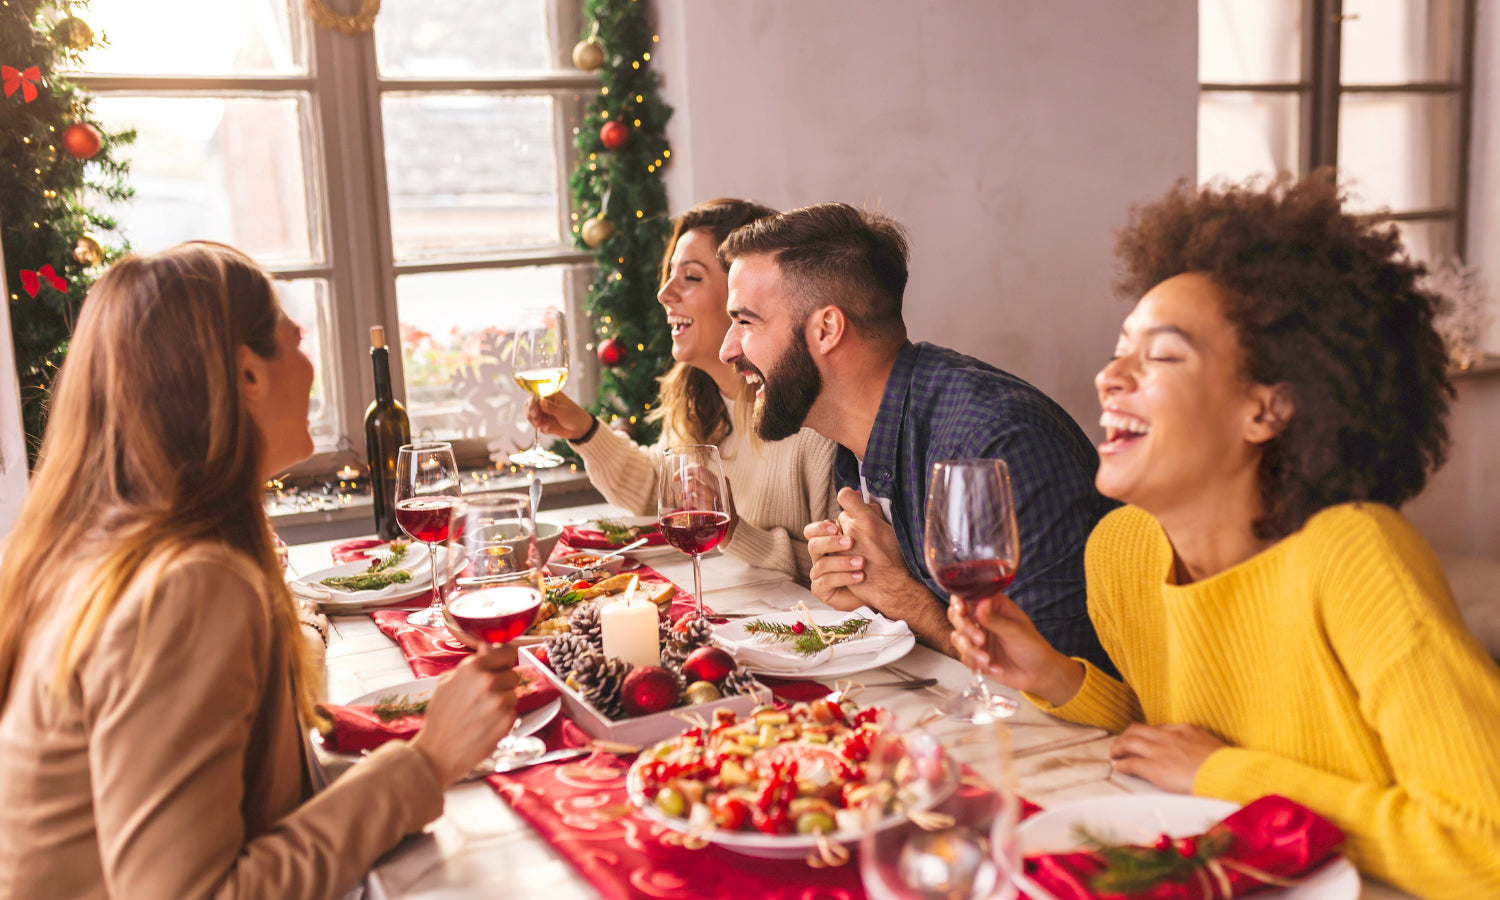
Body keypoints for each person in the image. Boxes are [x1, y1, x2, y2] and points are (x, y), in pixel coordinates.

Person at [948, 172, 1500, 897]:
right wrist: (1056, 676)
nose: (1110, 375)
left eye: (1163, 355)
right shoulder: (1122, 551)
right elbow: (1174, 731)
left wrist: (1223, 776)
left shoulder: (1357, 557)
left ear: (1265, 412)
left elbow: (1482, 844)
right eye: (1120, 349)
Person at [0, 243, 521, 899]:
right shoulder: (182, 587)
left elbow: (245, 814)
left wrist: (421, 763)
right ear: (248, 375)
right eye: (296, 339)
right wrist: (427, 761)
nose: (310, 365)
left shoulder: (108, 552)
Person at [717, 202, 1116, 669]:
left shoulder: (993, 445)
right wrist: (868, 594)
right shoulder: (854, 443)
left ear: (826, 329)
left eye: (745, 321)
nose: (728, 349)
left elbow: (1058, 681)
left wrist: (903, 600)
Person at [528, 198, 838, 584]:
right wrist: (585, 430)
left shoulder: (809, 421)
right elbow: (657, 488)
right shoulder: (698, 397)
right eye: (670, 274)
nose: (664, 293)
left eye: (691, 277)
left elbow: (839, 574)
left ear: (743, 294)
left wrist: (733, 530)